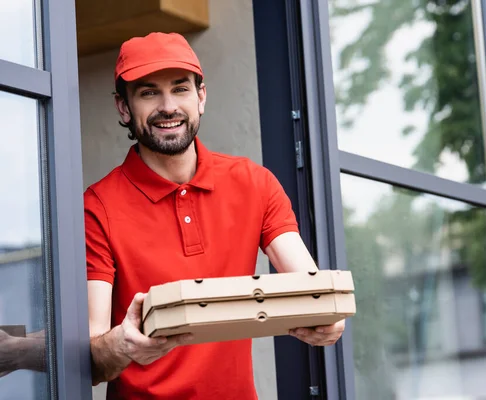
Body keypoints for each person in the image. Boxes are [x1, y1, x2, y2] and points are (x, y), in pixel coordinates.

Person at [85, 32, 346, 399]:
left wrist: (327, 319)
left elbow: (310, 289)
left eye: (180, 89)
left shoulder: (255, 183)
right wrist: (122, 345)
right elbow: (90, 356)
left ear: (201, 97)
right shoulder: (97, 206)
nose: (168, 106)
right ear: (124, 107)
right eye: (148, 93)